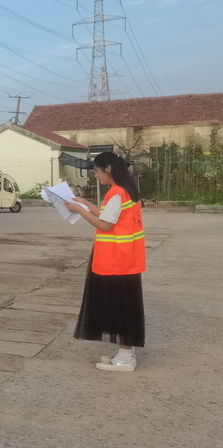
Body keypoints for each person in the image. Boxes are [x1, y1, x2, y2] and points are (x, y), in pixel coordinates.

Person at [64, 152, 146, 372]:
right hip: (127, 259)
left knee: (121, 307)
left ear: (108, 169)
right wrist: (85, 203)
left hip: (117, 260)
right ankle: (126, 353)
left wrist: (79, 210)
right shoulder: (125, 189)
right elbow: (107, 214)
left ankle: (125, 358)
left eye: (97, 171)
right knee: (126, 305)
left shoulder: (117, 192)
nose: (96, 175)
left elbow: (105, 225)